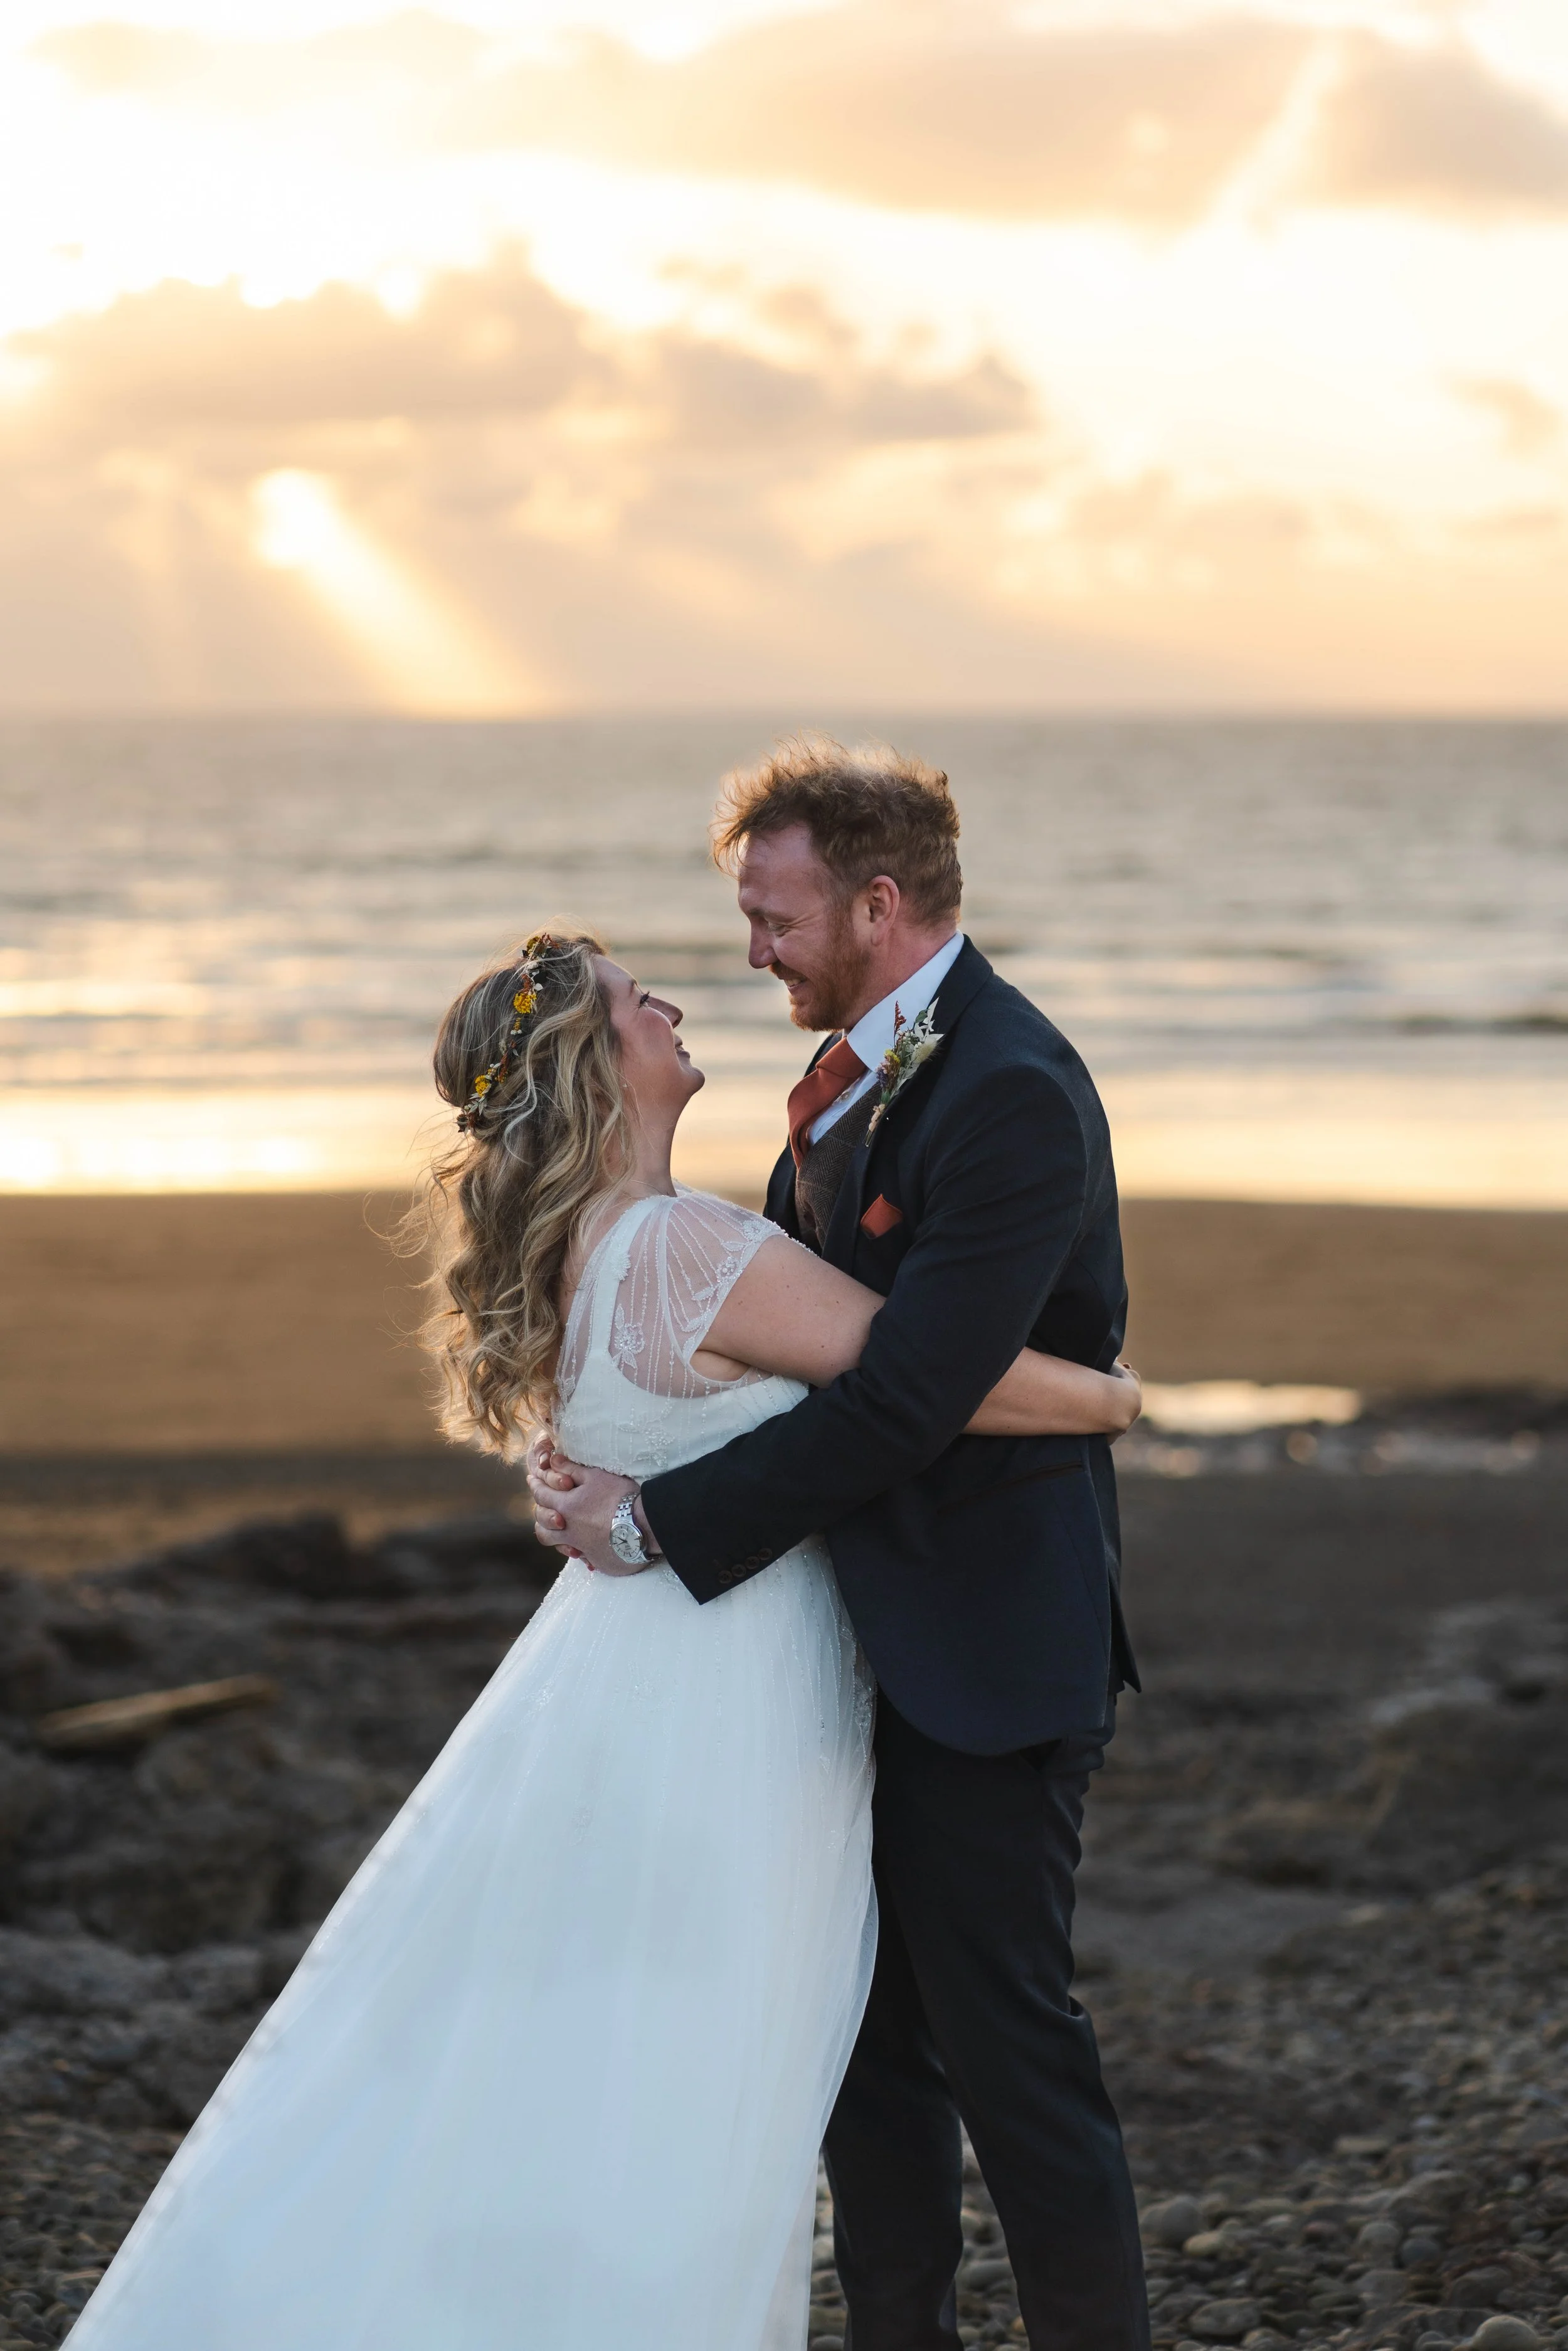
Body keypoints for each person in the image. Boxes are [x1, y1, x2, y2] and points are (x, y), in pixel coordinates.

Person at [65, 924, 1139, 2351]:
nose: (676, 1004)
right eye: (641, 1003)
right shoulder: (689, 1245)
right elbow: (932, 1382)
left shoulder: (585, 1248)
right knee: (708, 2056)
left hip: (647, 1678)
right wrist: (1111, 1396)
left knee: (638, 2042)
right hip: (733, 1693)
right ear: (593, 1065)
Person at [531, 736, 1152, 2351]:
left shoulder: (1007, 1087)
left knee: (1010, 2053)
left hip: (985, 1648)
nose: (748, 951)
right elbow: (790, 1355)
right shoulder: (857, 1066)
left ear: (876, 903)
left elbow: (901, 1399)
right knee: (869, 2056)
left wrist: (659, 1519)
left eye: (771, 915)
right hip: (846, 1649)